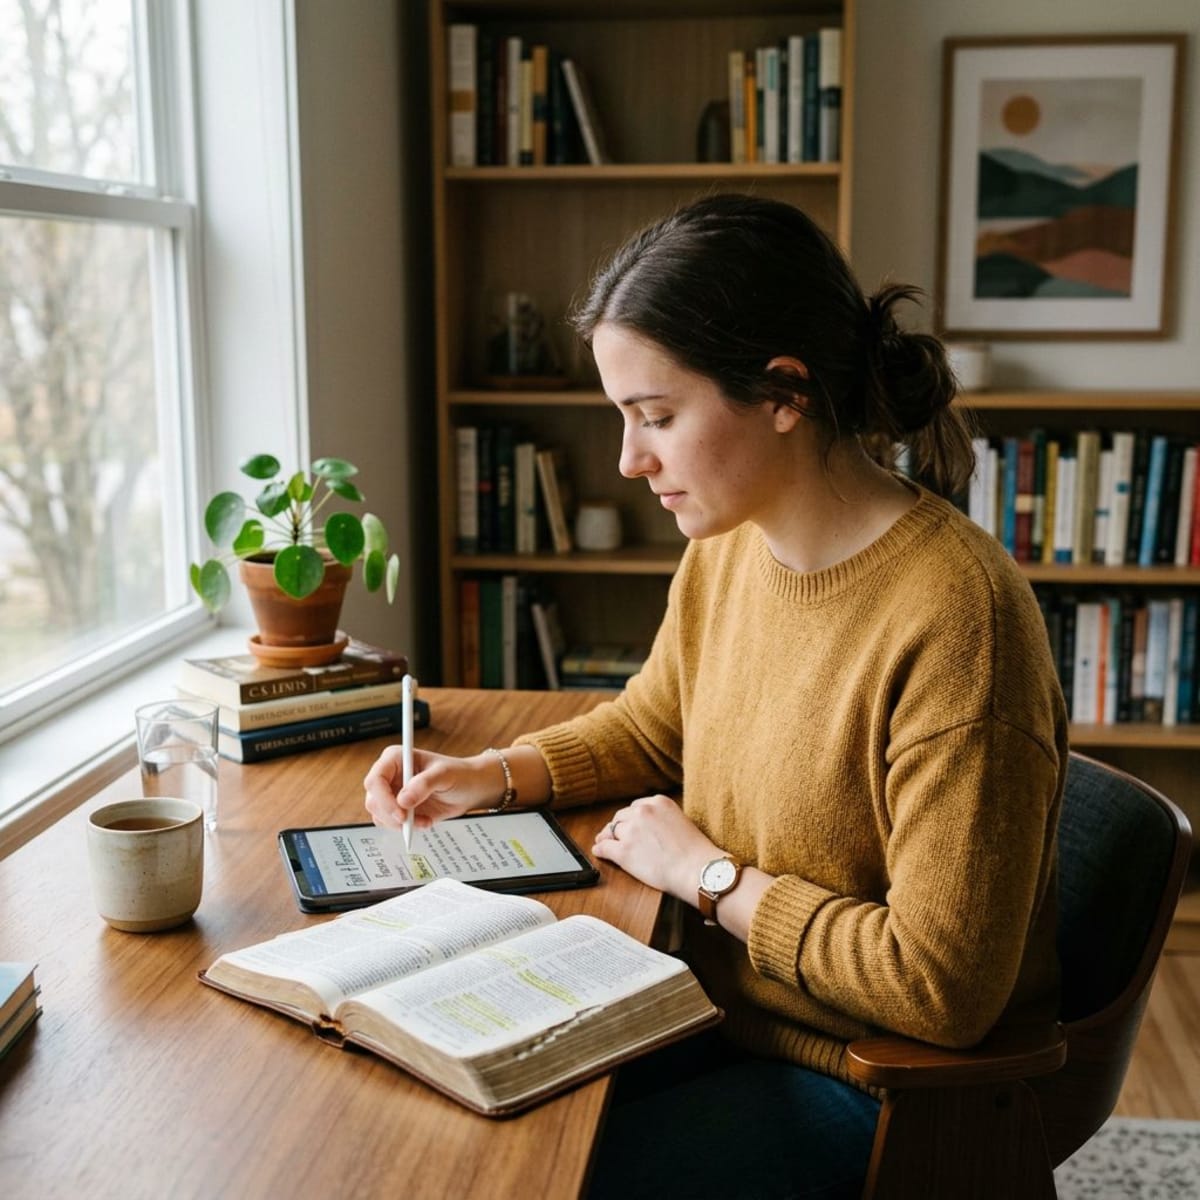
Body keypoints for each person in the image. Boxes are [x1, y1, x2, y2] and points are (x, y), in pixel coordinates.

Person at [364, 193, 1068, 1199]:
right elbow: (658, 723)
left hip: (870, 1083)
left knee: (515, 1179)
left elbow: (941, 988)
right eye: (624, 418)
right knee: (430, 1123)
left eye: (656, 417)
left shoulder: (960, 621)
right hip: (713, 1006)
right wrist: (492, 774)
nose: (629, 460)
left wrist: (713, 880)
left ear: (783, 391)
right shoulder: (734, 546)